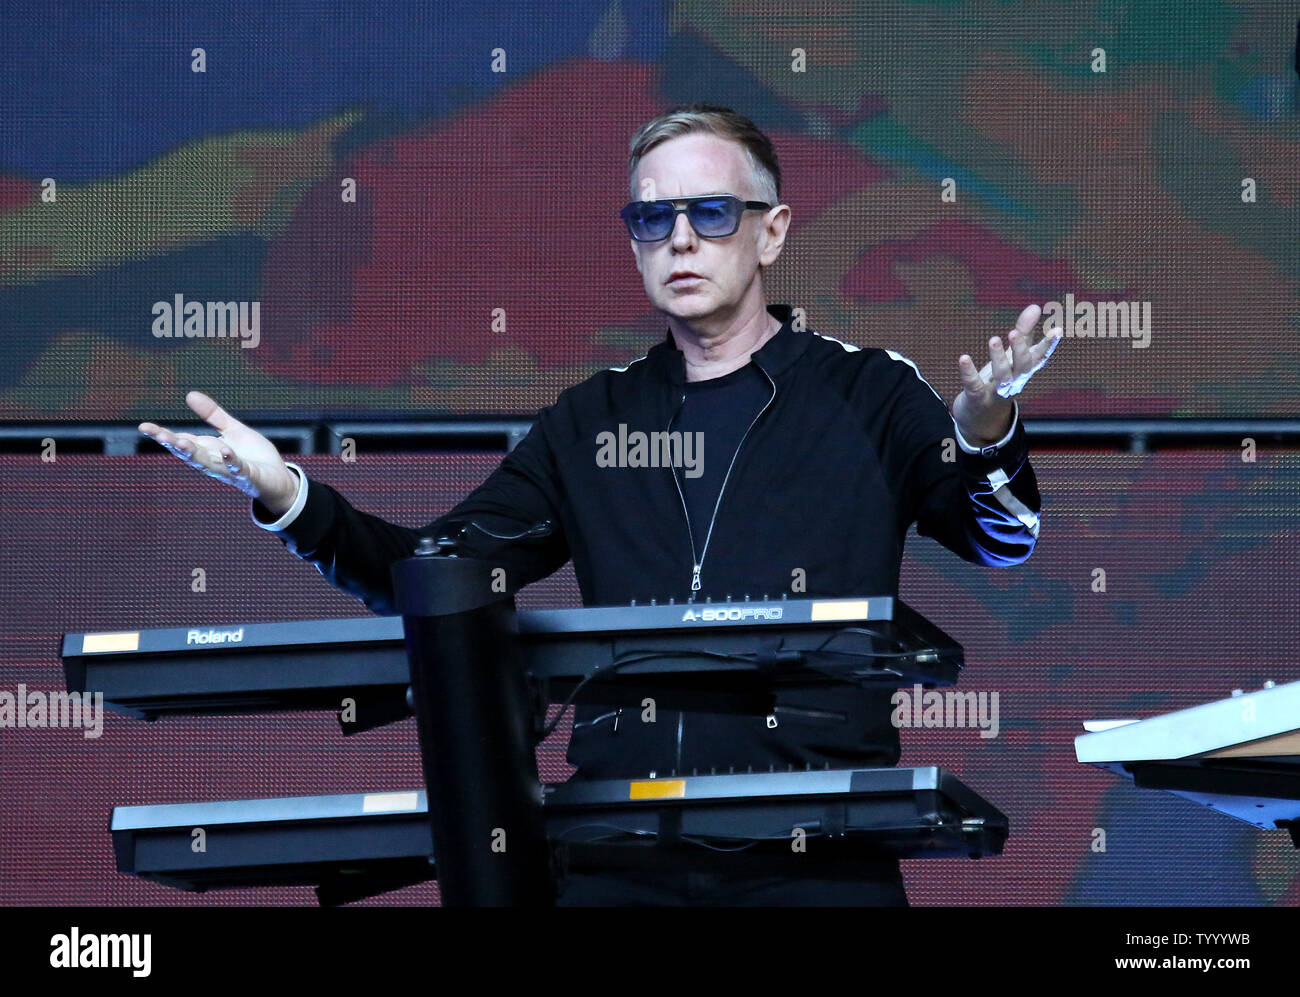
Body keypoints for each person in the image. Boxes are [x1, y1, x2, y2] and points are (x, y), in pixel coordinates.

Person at [139, 103, 1061, 906]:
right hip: (618, 859)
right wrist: (285, 493)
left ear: (772, 231)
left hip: (817, 854)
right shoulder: (592, 419)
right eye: (652, 219)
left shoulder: (868, 392)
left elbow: (1002, 539)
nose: (682, 240)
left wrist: (984, 425)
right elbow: (437, 574)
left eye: (709, 212)